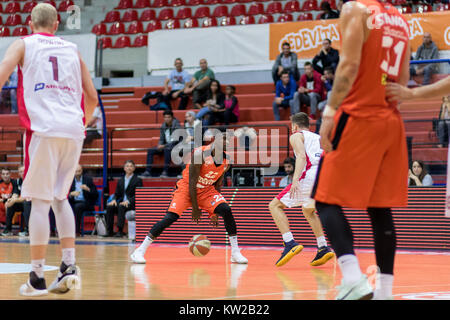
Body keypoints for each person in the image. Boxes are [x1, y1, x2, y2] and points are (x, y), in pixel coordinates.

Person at [313, 0, 411, 300]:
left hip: (358, 114)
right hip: (390, 121)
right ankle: (384, 293)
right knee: (380, 209)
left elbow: (349, 64)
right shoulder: (400, 20)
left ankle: (353, 278)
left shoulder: (357, 9)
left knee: (324, 199)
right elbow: (403, 82)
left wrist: (330, 110)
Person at [0, 3, 98, 296]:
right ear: (57, 25)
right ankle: (69, 266)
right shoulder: (72, 49)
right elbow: (92, 96)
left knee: (40, 203)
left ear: (30, 23)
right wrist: (81, 123)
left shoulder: (23, 44)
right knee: (60, 197)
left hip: (43, 128)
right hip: (74, 129)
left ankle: (37, 277)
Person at [130, 130, 248, 265]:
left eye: (229, 140)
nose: (227, 142)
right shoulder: (200, 154)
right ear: (215, 140)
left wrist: (213, 211)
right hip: (187, 189)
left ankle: (235, 252)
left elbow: (218, 183)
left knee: (226, 210)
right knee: (170, 217)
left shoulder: (227, 160)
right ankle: (139, 251)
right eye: (224, 139)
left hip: (207, 191)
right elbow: (192, 182)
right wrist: (196, 208)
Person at [269, 113, 334, 268]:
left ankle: (289, 242)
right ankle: (323, 246)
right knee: (309, 211)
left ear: (295, 126)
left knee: (274, 206)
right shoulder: (318, 137)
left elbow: (301, 157)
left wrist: (295, 180)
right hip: (325, 176)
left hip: (309, 174)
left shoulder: (297, 136)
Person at [105, 160, 143, 238]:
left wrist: (128, 201)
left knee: (121, 206)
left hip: (132, 204)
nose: (129, 168)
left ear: (134, 168)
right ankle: (109, 231)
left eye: (131, 166)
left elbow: (138, 195)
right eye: (127, 166)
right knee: (110, 206)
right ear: (124, 168)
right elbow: (117, 193)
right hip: (121, 203)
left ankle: (120, 231)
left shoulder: (138, 180)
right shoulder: (121, 180)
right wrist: (114, 199)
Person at [142, 110, 182, 177]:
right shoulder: (163, 125)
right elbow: (161, 138)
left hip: (176, 145)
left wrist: (164, 146)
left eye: (168, 117)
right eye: (165, 117)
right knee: (150, 150)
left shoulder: (177, 125)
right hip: (166, 145)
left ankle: (165, 172)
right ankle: (147, 171)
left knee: (167, 149)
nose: (167, 119)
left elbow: (175, 140)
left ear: (172, 118)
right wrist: (159, 145)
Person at [68, 165, 99, 236]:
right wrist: (70, 194)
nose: (77, 173)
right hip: (73, 202)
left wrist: (88, 189)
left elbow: (95, 194)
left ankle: (77, 231)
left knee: (77, 207)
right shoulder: (70, 181)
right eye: (76, 172)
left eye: (79, 171)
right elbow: (63, 194)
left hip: (86, 203)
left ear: (82, 171)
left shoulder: (88, 180)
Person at [1, 165, 31, 237]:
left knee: (26, 203)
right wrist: (11, 200)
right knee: (10, 204)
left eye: (24, 171)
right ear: (18, 173)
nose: (22, 173)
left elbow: (26, 197)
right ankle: (8, 229)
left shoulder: (30, 181)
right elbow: (15, 194)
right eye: (20, 171)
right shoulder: (17, 182)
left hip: (33, 203)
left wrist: (14, 200)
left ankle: (28, 229)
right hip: (23, 202)